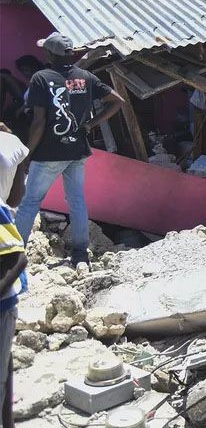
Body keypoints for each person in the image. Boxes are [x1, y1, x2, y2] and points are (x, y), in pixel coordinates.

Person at [13, 33, 124, 268]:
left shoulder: (41, 78)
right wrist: (91, 125)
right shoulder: (85, 77)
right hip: (77, 150)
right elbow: (117, 101)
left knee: (30, 201)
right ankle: (80, 253)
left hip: (49, 153)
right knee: (77, 201)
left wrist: (27, 154)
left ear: (50, 54)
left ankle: (14, 256)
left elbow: (39, 121)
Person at [0, 122, 29, 428]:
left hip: (4, 292)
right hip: (6, 295)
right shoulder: (11, 142)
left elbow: (17, 257)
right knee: (3, 357)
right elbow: (18, 197)